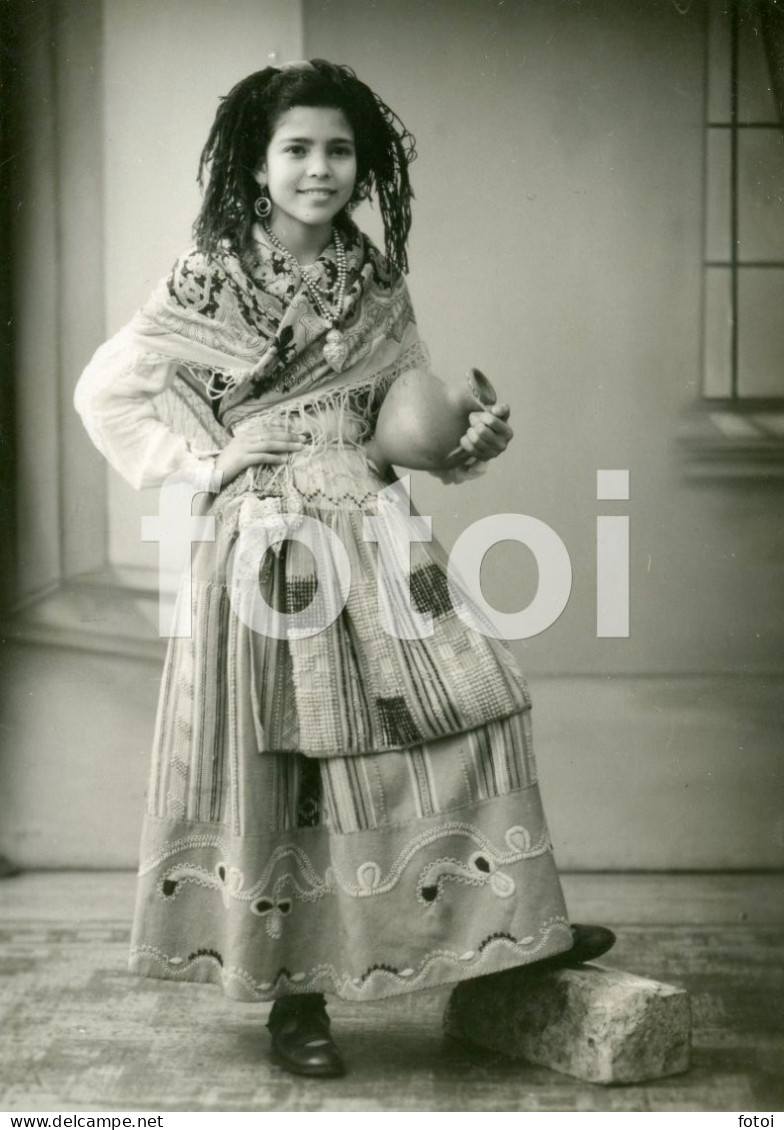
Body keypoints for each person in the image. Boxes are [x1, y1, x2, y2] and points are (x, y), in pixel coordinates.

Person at [74, 59, 614, 1079]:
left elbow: (402, 426)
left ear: (360, 165)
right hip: (265, 543)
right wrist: (202, 461)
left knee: (470, 705)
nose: (317, 168)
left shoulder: (370, 278)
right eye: (296, 149)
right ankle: (296, 1000)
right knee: (291, 761)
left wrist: (467, 442)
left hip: (370, 522)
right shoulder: (211, 275)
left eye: (335, 150)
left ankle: (505, 933)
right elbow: (107, 391)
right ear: (258, 161)